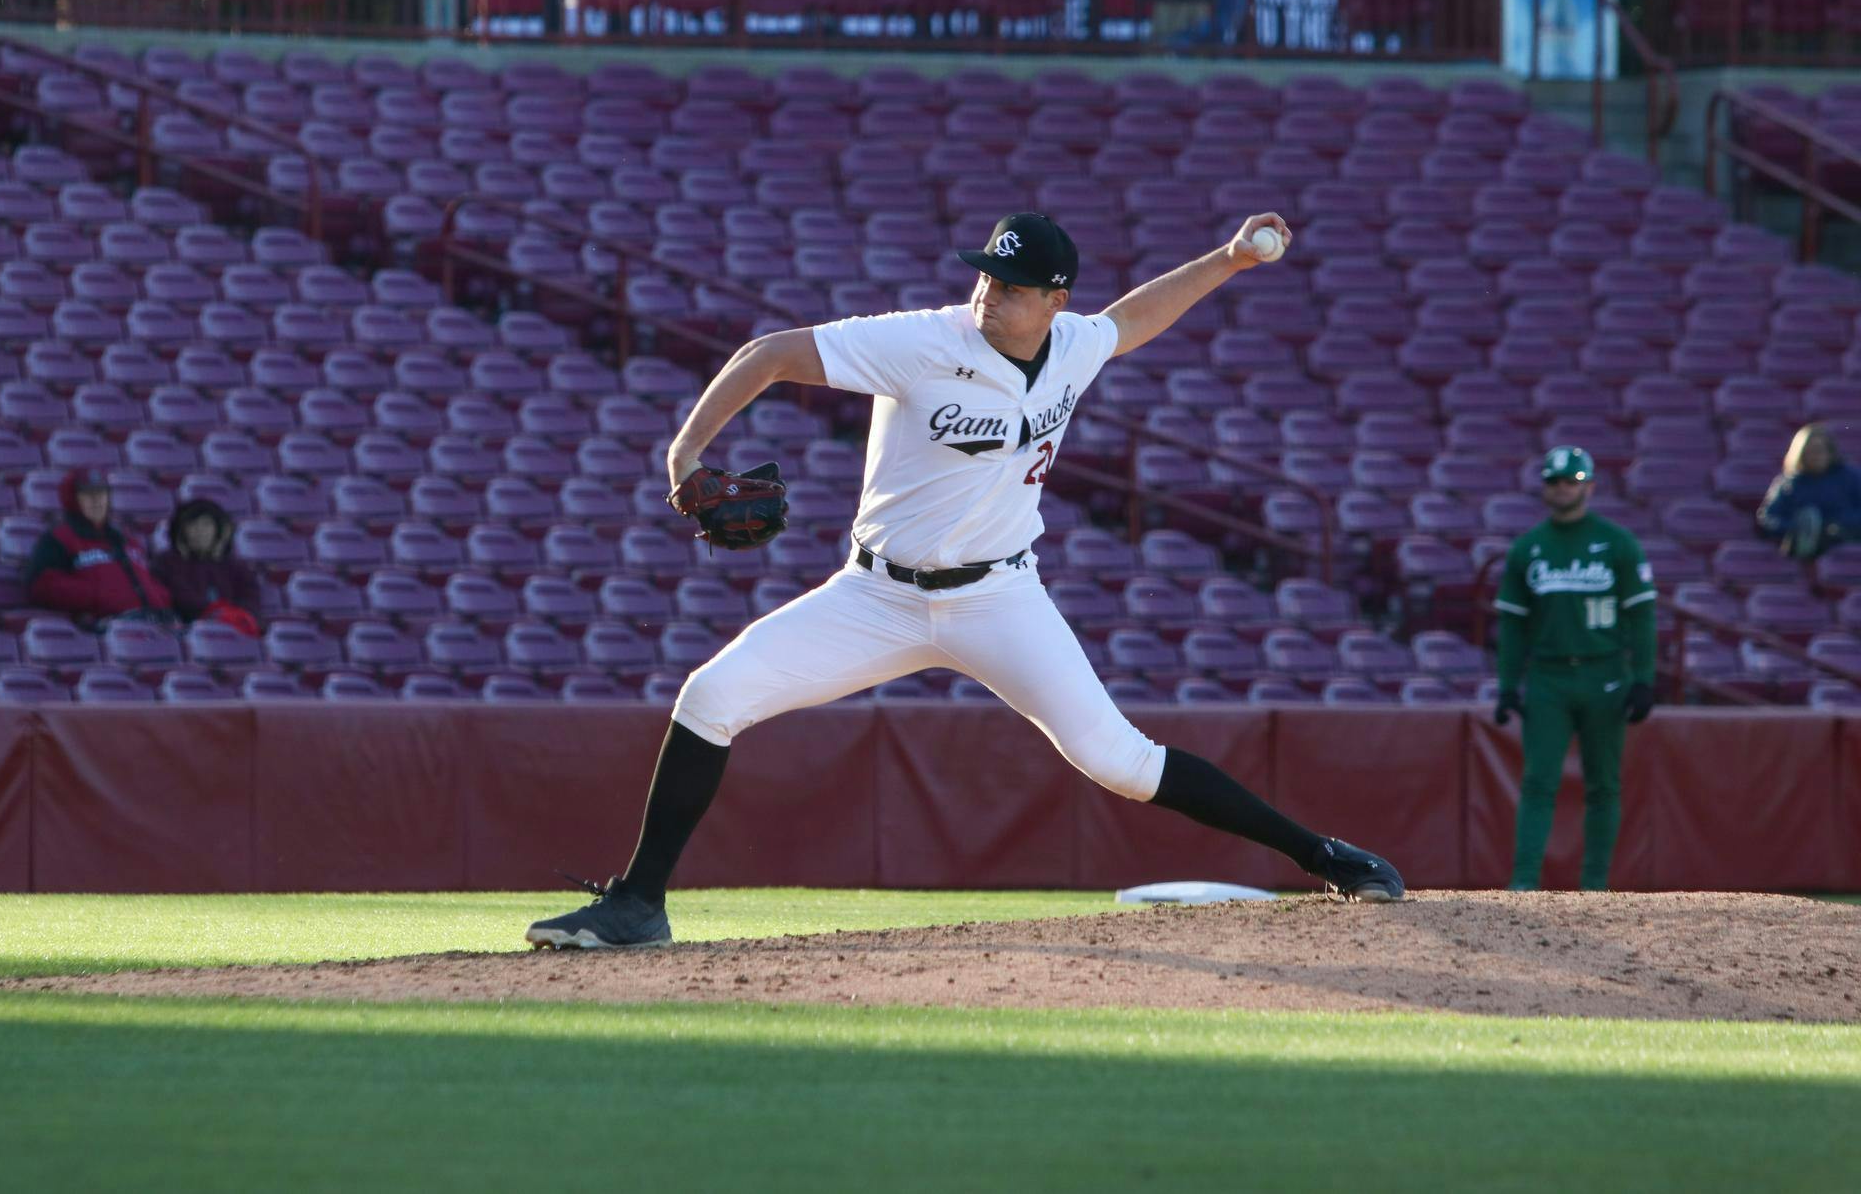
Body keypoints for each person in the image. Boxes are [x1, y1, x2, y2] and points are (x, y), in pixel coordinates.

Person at [527, 210, 1406, 951]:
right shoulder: (922, 341)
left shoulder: (1073, 345)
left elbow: (1137, 319)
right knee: (710, 696)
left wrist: (1228, 257)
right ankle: (640, 904)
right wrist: (687, 454)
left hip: (999, 597)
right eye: (987, 276)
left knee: (1121, 760)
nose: (991, 293)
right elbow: (769, 352)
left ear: (1055, 301)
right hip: (878, 595)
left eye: (1013, 286)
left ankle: (1322, 855)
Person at [1491, 447, 1657, 892]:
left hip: (1604, 674)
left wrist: (1644, 678)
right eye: (1554, 480)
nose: (1562, 487)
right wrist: (1507, 686)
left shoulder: (1617, 543)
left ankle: (1595, 887)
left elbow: (1641, 615)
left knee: (1604, 783)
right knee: (1538, 780)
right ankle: (1524, 882)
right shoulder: (1529, 548)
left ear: (1589, 486)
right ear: (1544, 487)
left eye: (1571, 479)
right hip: (1548, 678)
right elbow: (1512, 625)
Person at [23, 467, 176, 627]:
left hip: (155, 625)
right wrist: (99, 595)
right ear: (72, 499)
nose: (96, 501)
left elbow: (149, 582)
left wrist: (161, 600)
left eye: (101, 494)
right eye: (87, 495)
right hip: (108, 631)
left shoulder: (127, 541)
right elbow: (41, 586)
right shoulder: (58, 539)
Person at [149, 497, 262, 635]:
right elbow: (180, 600)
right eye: (193, 525)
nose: (200, 531)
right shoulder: (165, 563)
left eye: (206, 524)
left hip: (232, 631)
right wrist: (215, 613)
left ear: (218, 529)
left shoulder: (235, 566)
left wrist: (232, 614)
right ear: (181, 529)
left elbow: (250, 598)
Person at [1756, 423, 1861, 561]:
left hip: (1844, 541)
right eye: (1811, 451)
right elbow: (1768, 518)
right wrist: (1795, 528)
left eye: (1821, 450)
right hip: (1803, 547)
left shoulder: (1851, 477)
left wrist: (1836, 524)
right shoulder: (1789, 483)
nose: (1817, 456)